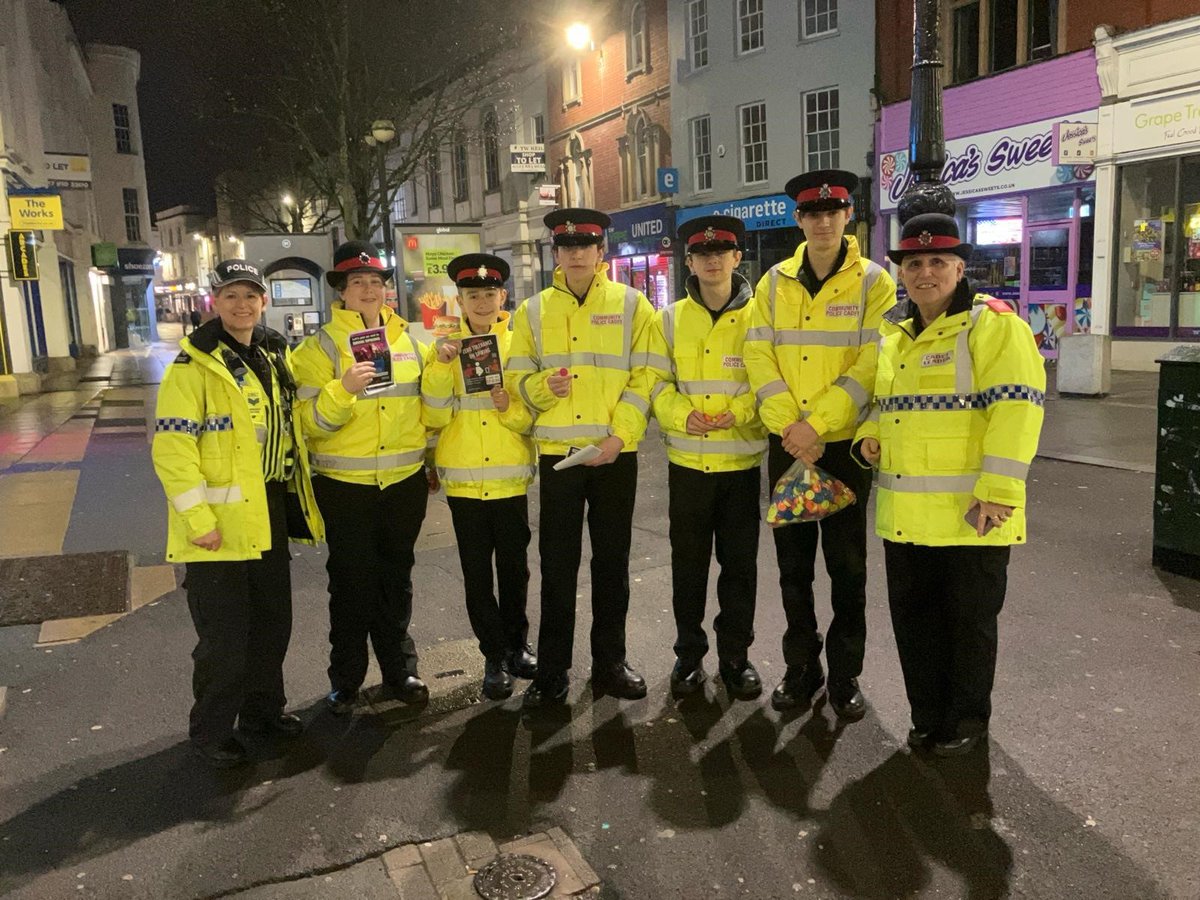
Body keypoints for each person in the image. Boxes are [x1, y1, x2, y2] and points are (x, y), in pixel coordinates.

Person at [853, 213, 1045, 756]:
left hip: (970, 513)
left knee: (969, 626)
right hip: (905, 517)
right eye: (914, 262)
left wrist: (1000, 490)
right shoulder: (895, 334)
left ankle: (965, 719)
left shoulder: (993, 325)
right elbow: (884, 407)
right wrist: (868, 435)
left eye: (938, 261)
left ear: (960, 268)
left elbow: (1018, 410)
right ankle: (927, 714)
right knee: (915, 624)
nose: (925, 272)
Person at [151, 259, 323, 768]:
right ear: (214, 302)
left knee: (272, 625)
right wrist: (198, 521)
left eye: (251, 295)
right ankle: (210, 732)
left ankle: (263, 714)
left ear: (264, 301)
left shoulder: (273, 353)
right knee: (224, 639)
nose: (242, 305)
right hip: (217, 523)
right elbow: (173, 452)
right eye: (231, 296)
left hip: (266, 506)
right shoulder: (193, 366)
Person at [744, 169, 897, 719]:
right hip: (789, 444)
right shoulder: (772, 283)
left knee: (847, 569)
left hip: (844, 449)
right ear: (799, 219)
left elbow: (874, 363)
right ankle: (800, 669)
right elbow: (758, 356)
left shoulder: (873, 282)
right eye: (813, 212)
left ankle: (845, 675)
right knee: (793, 569)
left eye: (834, 211)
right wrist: (791, 426)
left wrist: (819, 424)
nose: (824, 220)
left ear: (847, 215)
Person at [506, 208, 656, 708]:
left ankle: (610, 662)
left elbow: (647, 377)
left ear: (600, 252)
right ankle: (552, 672)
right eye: (566, 246)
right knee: (557, 567)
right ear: (557, 253)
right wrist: (541, 388)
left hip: (615, 453)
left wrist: (619, 437)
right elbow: (516, 380)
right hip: (559, 458)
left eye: (585, 245)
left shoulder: (634, 305)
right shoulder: (531, 312)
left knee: (612, 563)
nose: (575, 254)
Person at [291, 240, 437, 716]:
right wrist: (343, 389)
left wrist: (432, 460)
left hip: (403, 483)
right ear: (342, 292)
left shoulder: (414, 342)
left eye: (376, 282)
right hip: (345, 487)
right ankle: (346, 680)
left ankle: (400, 671)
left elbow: (429, 408)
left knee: (397, 579)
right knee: (351, 583)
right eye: (358, 283)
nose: (369, 290)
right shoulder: (317, 349)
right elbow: (309, 423)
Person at [644, 215, 768, 700]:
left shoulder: (762, 317)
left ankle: (735, 658)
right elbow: (656, 382)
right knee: (688, 568)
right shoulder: (669, 319)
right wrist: (680, 415)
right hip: (689, 467)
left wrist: (738, 412)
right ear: (690, 262)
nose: (712, 260)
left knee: (740, 569)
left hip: (739, 466)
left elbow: (772, 381)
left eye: (723, 252)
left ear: (738, 258)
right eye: (702, 254)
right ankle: (688, 655)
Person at [421, 253, 538, 701]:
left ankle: (517, 645)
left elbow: (532, 415)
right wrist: (437, 366)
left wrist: (510, 407)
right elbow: (432, 415)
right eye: (473, 295)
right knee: (476, 574)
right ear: (460, 300)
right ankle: (492, 655)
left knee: (514, 570)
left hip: (509, 478)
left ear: (502, 296)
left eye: (490, 294)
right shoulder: (443, 350)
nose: (483, 302)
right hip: (466, 481)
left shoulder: (520, 345)